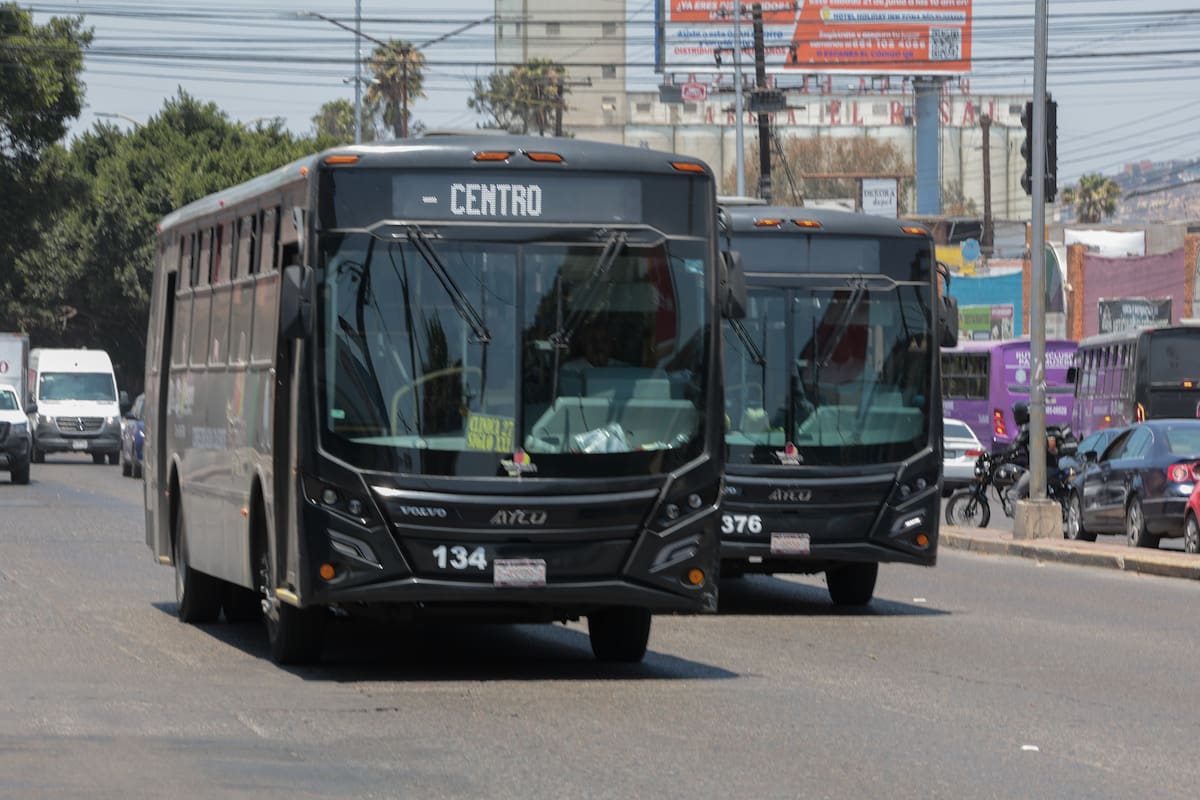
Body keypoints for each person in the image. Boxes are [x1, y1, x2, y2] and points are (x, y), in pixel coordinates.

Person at [1005, 400, 1064, 502]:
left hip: (1040, 471)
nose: (1014, 417)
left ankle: (1020, 517)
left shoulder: (1027, 428)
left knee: (1012, 494)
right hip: (1050, 468)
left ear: (1021, 414)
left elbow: (1014, 446)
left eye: (1015, 414)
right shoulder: (1037, 425)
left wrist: (998, 455)